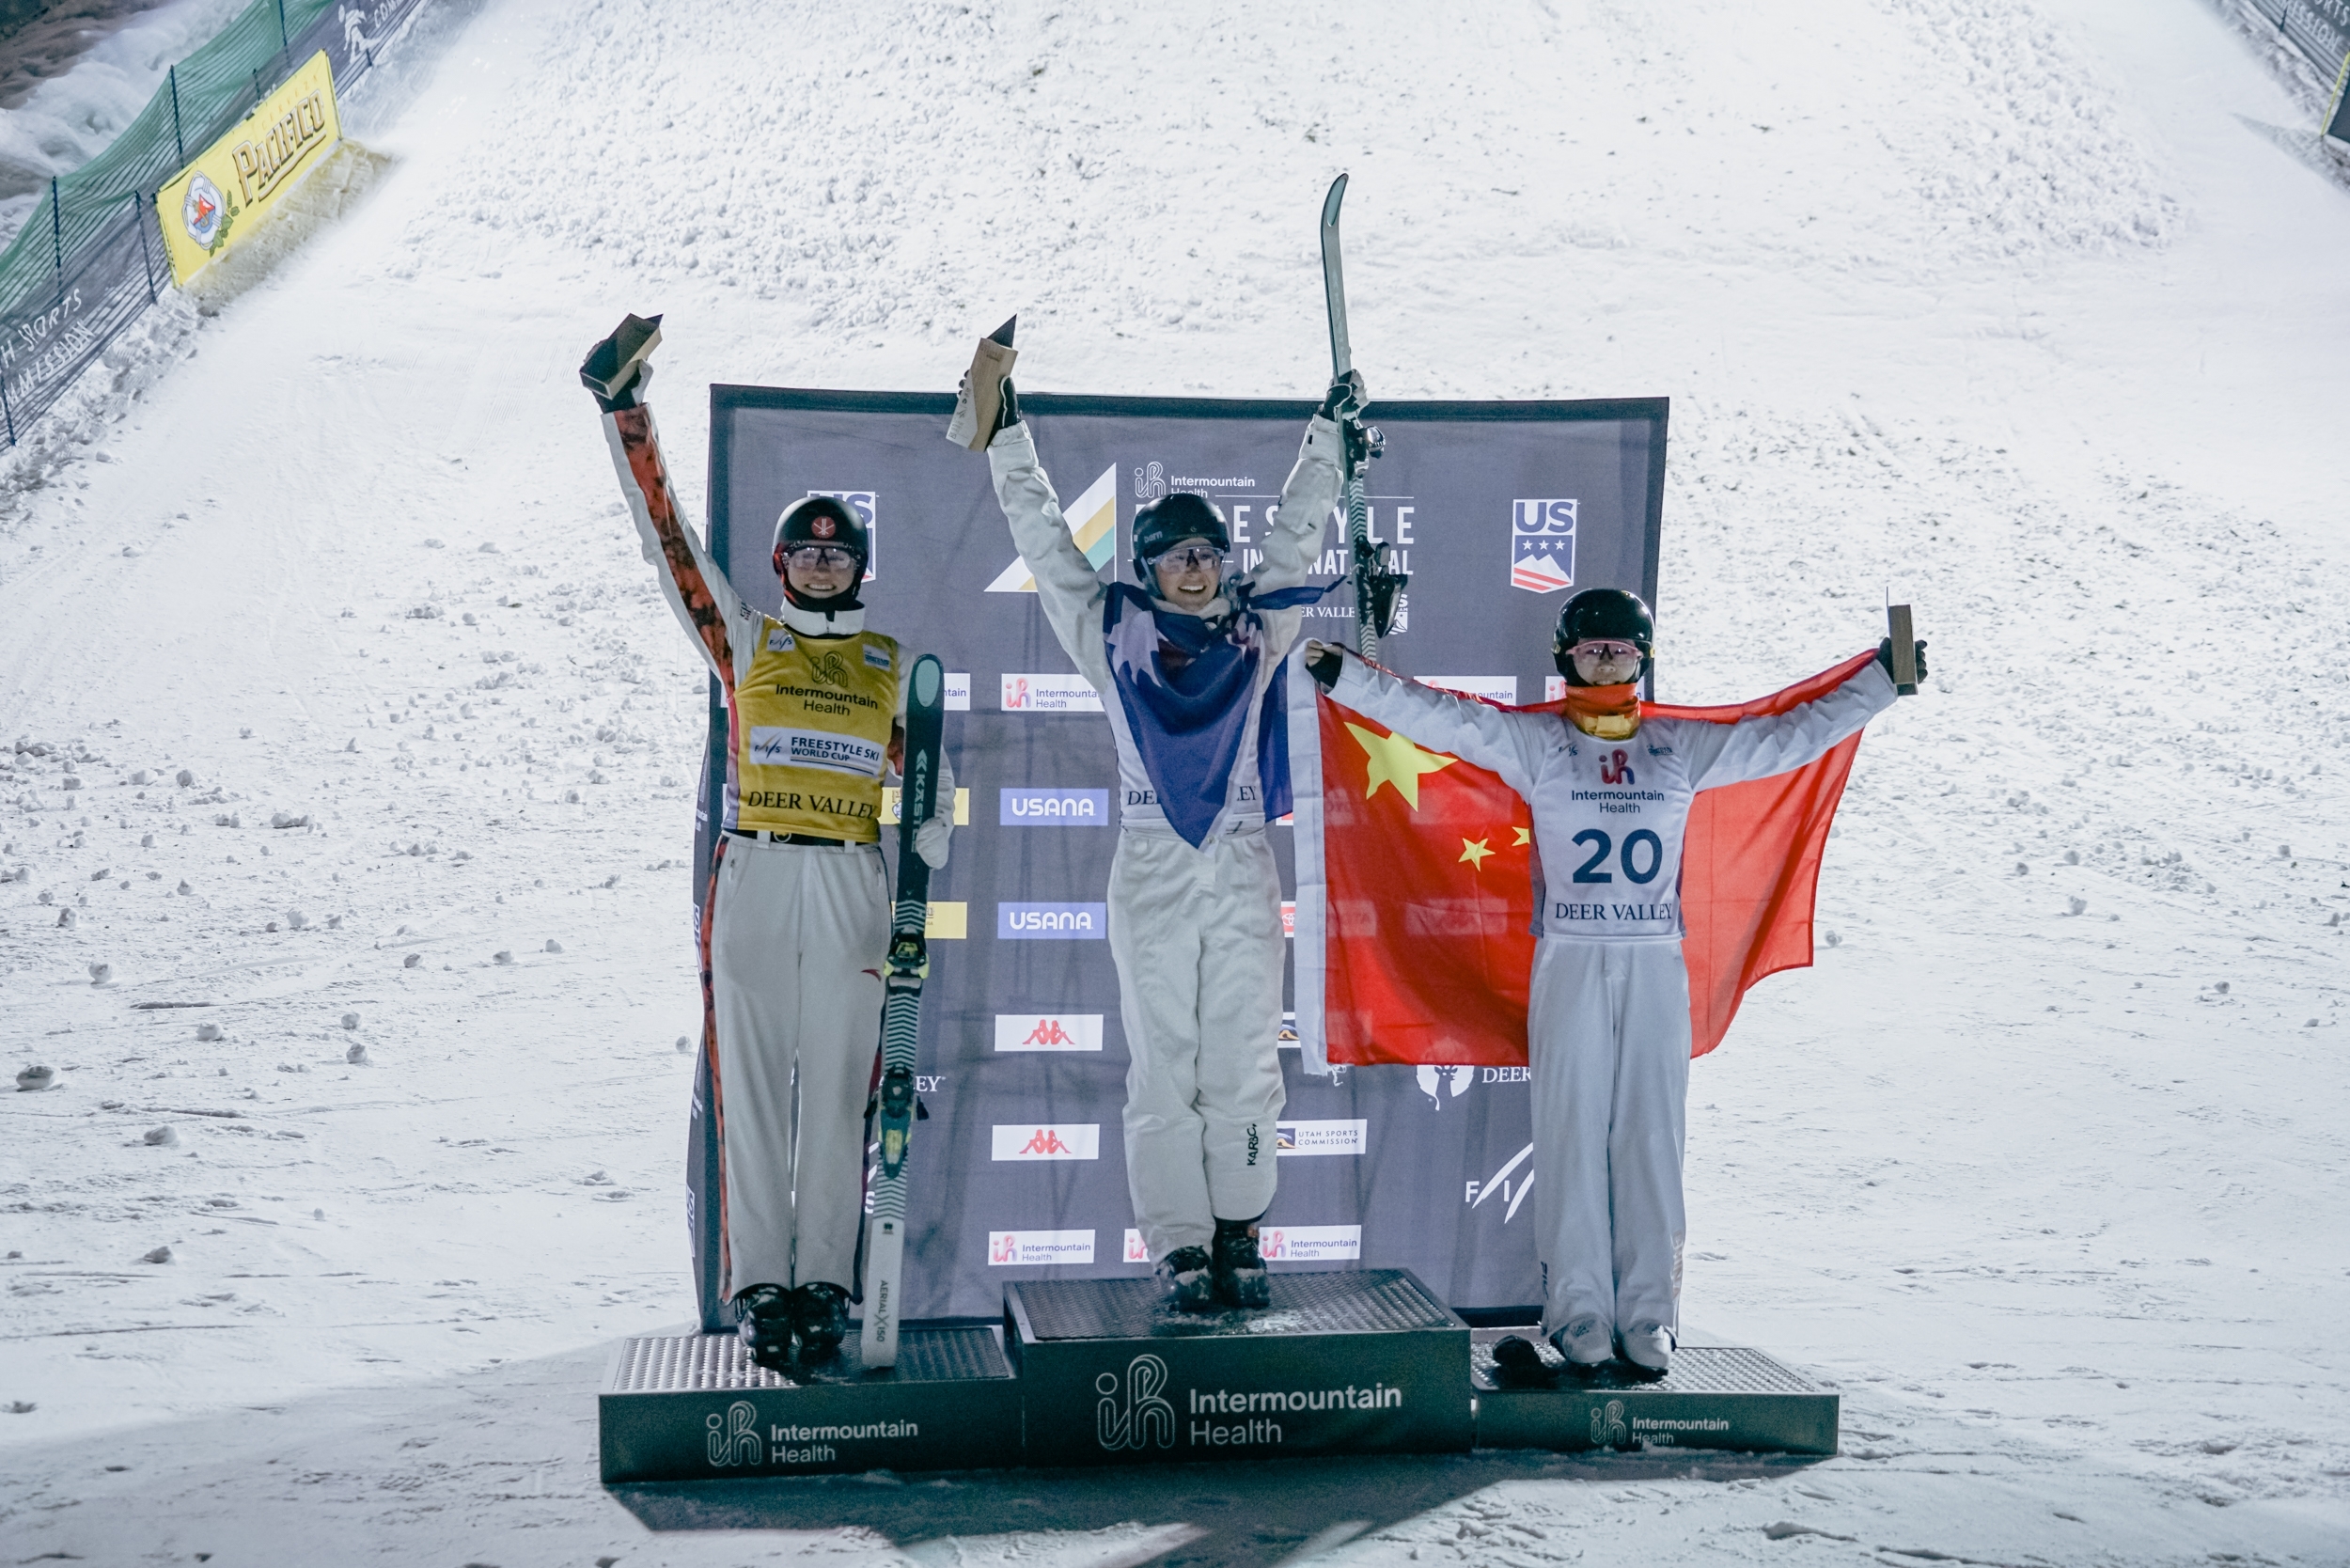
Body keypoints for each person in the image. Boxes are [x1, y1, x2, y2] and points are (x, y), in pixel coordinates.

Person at [1306, 590, 1920, 1377]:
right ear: (1564, 657)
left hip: (1654, 959)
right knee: (1569, 1134)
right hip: (1568, 956)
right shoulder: (1537, 743)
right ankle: (1579, 1314)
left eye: (1622, 651)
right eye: (1593, 650)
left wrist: (1882, 681)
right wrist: (1348, 682)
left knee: (1651, 1138)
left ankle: (1650, 1317)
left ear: (1644, 659)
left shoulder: (1678, 747)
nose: (1607, 661)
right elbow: (1442, 719)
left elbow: (1787, 740)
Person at [583, 321, 951, 1368]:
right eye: (806, 551)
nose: (823, 564)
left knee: (838, 1088)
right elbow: (669, 543)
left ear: (859, 566)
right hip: (754, 870)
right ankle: (761, 1288)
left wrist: (929, 823)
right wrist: (626, 414)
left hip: (847, 879)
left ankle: (824, 1283)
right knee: (749, 1084)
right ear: (780, 562)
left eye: (840, 553)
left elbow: (923, 787)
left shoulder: (889, 661)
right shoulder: (744, 636)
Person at [972, 358, 1353, 1309]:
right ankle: (1179, 1243)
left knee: (1244, 1054)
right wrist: (1007, 435)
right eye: (1176, 552)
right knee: (1163, 1063)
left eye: (1207, 551)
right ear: (1145, 566)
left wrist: (1329, 441)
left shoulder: (1255, 629)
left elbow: (1297, 538)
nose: (1196, 565)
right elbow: (1045, 539)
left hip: (1236, 857)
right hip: (1150, 860)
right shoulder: (1109, 632)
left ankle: (1241, 1230)